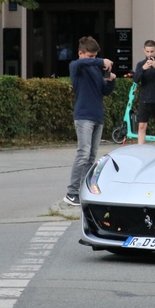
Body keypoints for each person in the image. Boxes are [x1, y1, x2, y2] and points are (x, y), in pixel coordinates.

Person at [64, 36, 116, 206]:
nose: (93, 60)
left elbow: (103, 91)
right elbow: (81, 64)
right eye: (90, 56)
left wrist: (110, 82)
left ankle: (84, 189)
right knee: (83, 153)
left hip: (96, 115)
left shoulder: (94, 69)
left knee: (91, 156)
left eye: (95, 56)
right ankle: (72, 192)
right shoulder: (76, 66)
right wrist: (101, 61)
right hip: (83, 115)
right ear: (80, 53)